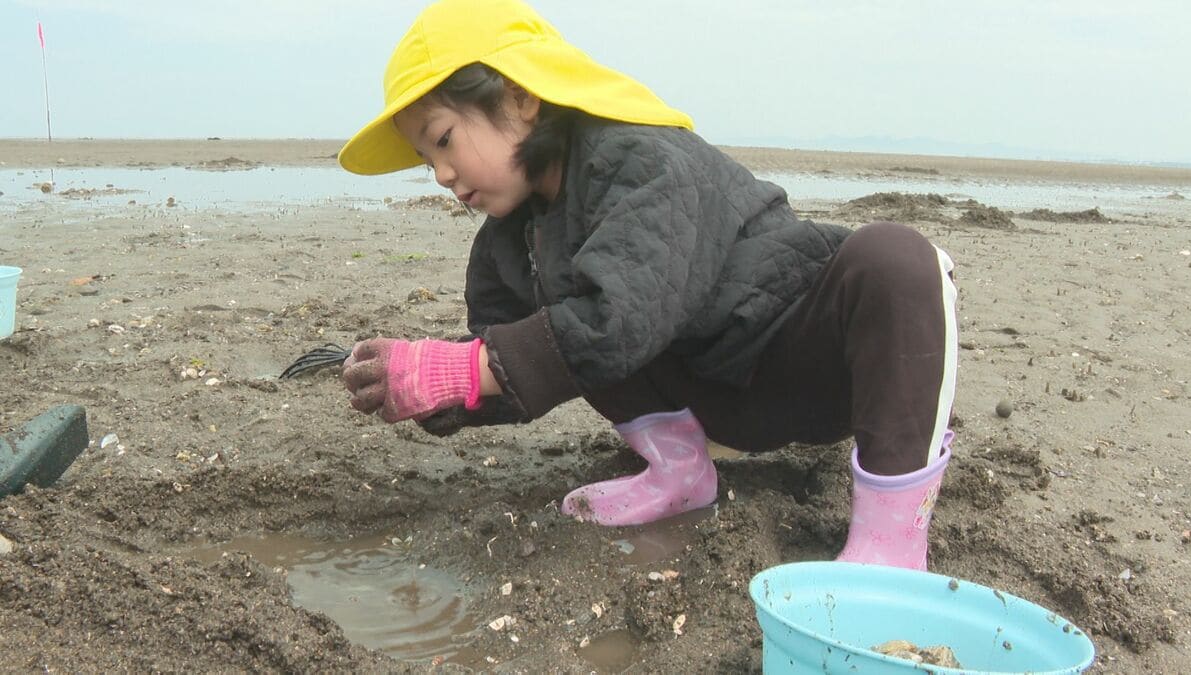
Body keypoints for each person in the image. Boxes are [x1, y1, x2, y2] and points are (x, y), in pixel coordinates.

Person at [338, 0, 958, 571]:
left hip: (803, 361)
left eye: (444, 139)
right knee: (568, 313)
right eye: (427, 162)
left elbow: (622, 317)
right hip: (709, 395)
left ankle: (890, 545)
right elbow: (510, 356)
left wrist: (462, 370)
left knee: (895, 258)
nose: (443, 174)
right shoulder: (508, 242)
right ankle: (678, 471)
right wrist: (432, 387)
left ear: (520, 97)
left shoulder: (644, 159)